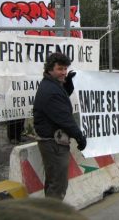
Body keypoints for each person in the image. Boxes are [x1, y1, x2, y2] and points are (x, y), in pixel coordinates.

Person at [33, 53, 87, 200]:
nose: (63, 72)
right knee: (57, 185)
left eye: (65, 69)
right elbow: (64, 118)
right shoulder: (50, 90)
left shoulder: (52, 85)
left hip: (52, 142)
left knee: (53, 182)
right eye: (60, 69)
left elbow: (61, 98)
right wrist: (79, 136)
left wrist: (68, 84)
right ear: (50, 69)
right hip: (53, 144)